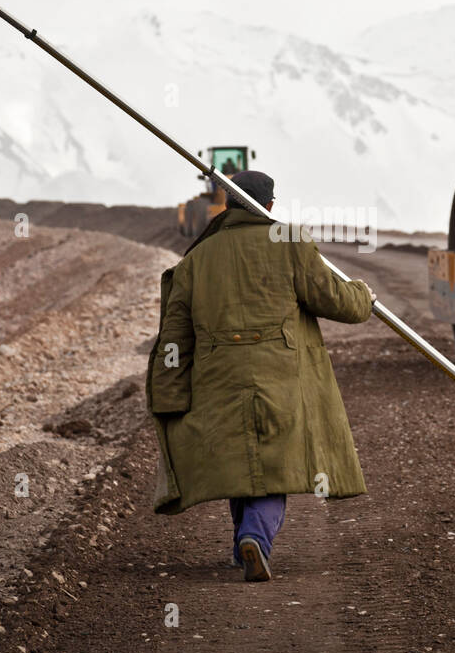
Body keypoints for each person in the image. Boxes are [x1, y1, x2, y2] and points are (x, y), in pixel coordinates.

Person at [146, 171, 376, 581]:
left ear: (228, 204)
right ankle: (254, 537)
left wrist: (168, 393)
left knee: (240, 462)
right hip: (281, 378)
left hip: (217, 380)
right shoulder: (289, 242)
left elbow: (174, 338)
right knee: (273, 467)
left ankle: (243, 545)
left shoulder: (196, 259)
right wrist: (364, 295)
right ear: (269, 206)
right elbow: (336, 301)